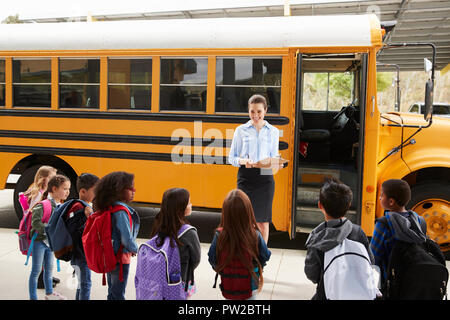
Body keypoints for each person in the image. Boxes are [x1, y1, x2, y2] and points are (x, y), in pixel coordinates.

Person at [304, 177, 374, 300]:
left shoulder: (316, 238)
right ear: (349, 205)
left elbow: (312, 275)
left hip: (327, 294)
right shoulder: (358, 232)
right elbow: (371, 262)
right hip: (358, 293)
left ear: (320, 205)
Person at [228, 94, 284, 244]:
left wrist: (277, 162)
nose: (256, 115)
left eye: (259, 111)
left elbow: (274, 155)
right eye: (252, 111)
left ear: (265, 110)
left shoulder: (273, 131)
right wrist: (242, 161)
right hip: (246, 176)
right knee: (245, 221)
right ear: (248, 111)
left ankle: (261, 258)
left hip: (265, 177)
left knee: (263, 222)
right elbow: (231, 158)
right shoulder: (241, 130)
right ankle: (246, 254)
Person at [208, 189, 271, 300]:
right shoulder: (254, 234)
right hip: (251, 285)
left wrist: (222, 269)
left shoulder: (220, 235)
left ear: (226, 213)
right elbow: (265, 255)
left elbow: (212, 258)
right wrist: (257, 267)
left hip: (229, 285)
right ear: (248, 211)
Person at [369, 179, 427, 285]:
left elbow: (373, 257)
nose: (379, 197)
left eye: (382, 195)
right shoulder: (420, 221)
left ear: (391, 202)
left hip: (391, 281)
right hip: (414, 279)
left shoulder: (383, 224)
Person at [93, 171, 140, 300]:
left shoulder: (111, 207)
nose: (134, 191)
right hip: (120, 259)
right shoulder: (121, 212)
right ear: (119, 190)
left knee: (112, 291)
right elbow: (126, 238)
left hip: (110, 255)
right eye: (131, 188)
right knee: (118, 294)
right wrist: (137, 249)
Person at [149, 188, 201, 298]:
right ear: (180, 207)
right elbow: (195, 260)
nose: (191, 205)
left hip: (158, 280)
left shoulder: (159, 225)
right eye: (189, 202)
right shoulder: (189, 232)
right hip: (179, 281)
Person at [28, 174, 70, 300]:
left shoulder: (61, 206)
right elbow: (35, 223)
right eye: (64, 188)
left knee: (49, 270)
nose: (67, 192)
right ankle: (33, 297)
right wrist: (49, 230)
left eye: (68, 189)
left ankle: (49, 293)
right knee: (36, 271)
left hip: (50, 243)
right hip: (40, 242)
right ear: (54, 189)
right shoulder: (44, 205)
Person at [20, 165, 60, 289]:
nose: (54, 181)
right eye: (52, 178)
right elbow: (32, 213)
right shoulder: (38, 193)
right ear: (43, 179)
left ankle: (46, 276)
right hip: (38, 230)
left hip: (42, 228)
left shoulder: (43, 192)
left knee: (46, 254)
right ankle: (41, 280)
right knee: (41, 255)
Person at [65, 173, 99, 300]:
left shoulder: (80, 206)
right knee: (86, 284)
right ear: (83, 191)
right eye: (95, 191)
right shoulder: (80, 208)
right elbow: (77, 231)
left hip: (79, 253)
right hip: (81, 254)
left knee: (82, 284)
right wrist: (88, 217)